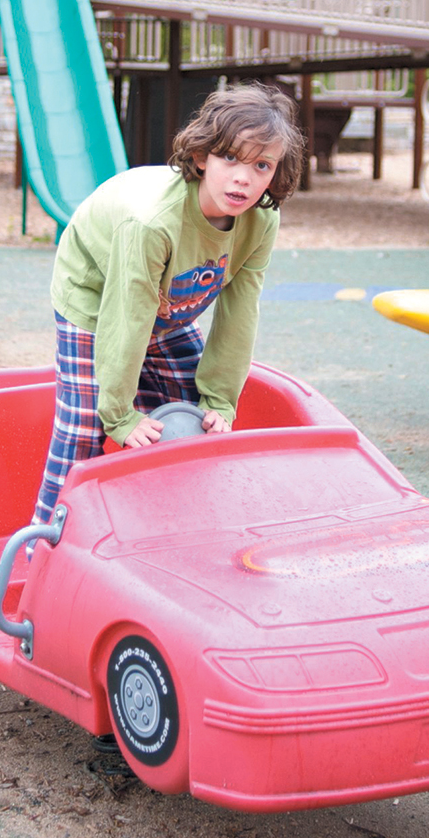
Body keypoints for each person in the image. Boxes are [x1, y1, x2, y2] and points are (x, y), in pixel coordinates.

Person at [30, 84, 305, 525]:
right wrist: (118, 415)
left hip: (170, 303)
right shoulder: (152, 222)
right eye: (229, 158)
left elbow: (239, 311)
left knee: (195, 414)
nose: (243, 177)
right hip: (97, 294)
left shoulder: (261, 220)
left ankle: (171, 528)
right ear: (201, 158)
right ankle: (42, 544)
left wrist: (220, 400)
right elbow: (127, 316)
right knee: (85, 425)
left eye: (261, 165)